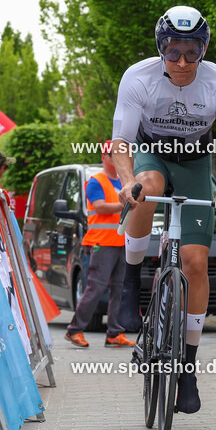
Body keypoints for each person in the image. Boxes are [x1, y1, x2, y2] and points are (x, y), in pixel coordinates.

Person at [111, 5, 216, 415]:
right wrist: (126, 180)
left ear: (203, 48)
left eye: (193, 52)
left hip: (195, 163)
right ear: (161, 49)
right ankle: (130, 281)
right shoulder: (138, 77)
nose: (184, 62)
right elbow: (121, 141)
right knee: (146, 188)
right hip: (153, 154)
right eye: (174, 52)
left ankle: (187, 368)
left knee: (195, 262)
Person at [64, 143, 134, 348]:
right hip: (101, 243)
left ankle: (114, 333)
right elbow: (100, 207)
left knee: (119, 289)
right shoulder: (95, 182)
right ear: (104, 157)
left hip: (120, 242)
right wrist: (126, 203)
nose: (118, 159)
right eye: (114, 155)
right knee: (96, 288)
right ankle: (74, 330)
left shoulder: (123, 183)